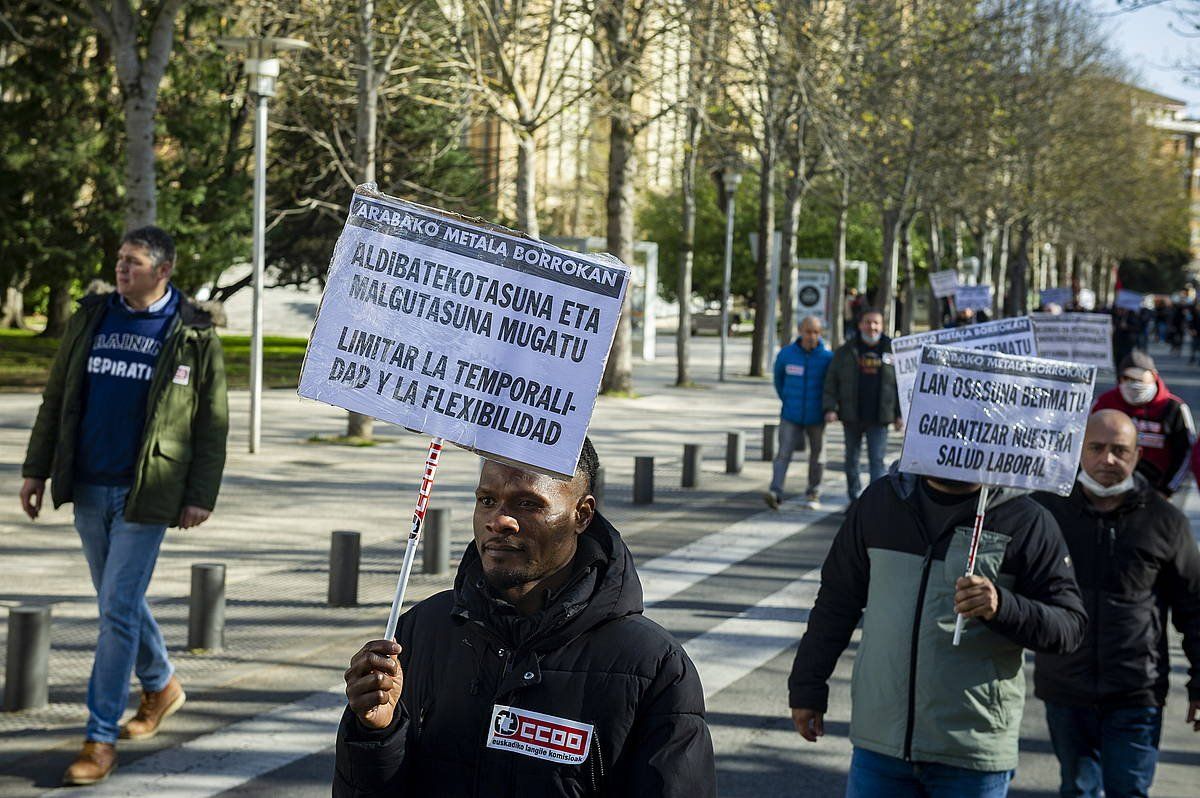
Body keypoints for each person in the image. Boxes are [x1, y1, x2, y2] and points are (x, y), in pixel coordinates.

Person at [334, 439, 716, 797]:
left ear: (581, 514)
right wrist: (375, 734)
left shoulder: (652, 665)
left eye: (528, 504)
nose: (499, 521)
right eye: (486, 500)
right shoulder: (422, 629)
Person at [18, 226, 228, 786]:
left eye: (132, 262)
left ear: (163, 271)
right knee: (120, 601)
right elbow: (57, 396)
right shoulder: (93, 315)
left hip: (150, 491)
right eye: (119, 260)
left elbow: (211, 421)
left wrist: (199, 495)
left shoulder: (191, 332)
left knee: (115, 609)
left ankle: (99, 737)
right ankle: (161, 684)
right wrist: (35, 469)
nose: (120, 268)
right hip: (88, 484)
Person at [787, 465, 1087, 797]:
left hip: (971, 751)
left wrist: (1003, 607)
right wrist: (807, 686)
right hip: (880, 745)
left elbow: (1069, 626)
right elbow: (836, 602)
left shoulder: (1024, 518)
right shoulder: (881, 501)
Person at [1033, 410, 1200, 798]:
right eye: (1096, 448)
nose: (1108, 459)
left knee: (1129, 791)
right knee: (1077, 790)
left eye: (1119, 450)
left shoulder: (1165, 521)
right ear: (1078, 451)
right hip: (1065, 689)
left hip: (1136, 691)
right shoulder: (1043, 513)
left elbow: (1194, 607)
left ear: (1138, 456)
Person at [822, 308, 902, 501]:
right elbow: (831, 380)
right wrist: (830, 407)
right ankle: (854, 499)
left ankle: (875, 502)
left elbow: (902, 384)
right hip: (852, 415)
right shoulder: (846, 350)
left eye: (876, 323)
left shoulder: (893, 351)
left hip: (880, 417)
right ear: (860, 325)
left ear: (882, 326)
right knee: (852, 460)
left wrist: (901, 414)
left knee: (877, 461)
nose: (872, 327)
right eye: (868, 322)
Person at [1092, 351, 1194, 498]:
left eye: (1139, 378)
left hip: (1157, 491)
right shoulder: (1104, 403)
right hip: (1108, 488)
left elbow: (1186, 453)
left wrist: (1167, 490)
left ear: (1153, 376)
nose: (1133, 384)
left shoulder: (1174, 408)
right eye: (1126, 378)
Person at [765, 315, 833, 510]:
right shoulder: (786, 354)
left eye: (816, 332)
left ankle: (814, 492)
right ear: (800, 331)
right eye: (808, 331)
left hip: (817, 416)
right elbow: (779, 379)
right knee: (783, 453)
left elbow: (831, 386)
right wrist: (787, 398)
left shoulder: (827, 358)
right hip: (791, 414)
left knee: (818, 456)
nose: (812, 336)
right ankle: (775, 491)